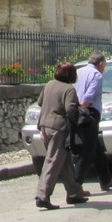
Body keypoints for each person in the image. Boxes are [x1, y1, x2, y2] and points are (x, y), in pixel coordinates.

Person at [34, 62, 90, 210]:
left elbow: (40, 102)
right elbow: (70, 108)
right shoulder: (69, 89)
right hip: (59, 128)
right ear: (71, 75)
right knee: (53, 161)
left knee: (64, 161)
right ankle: (42, 195)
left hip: (45, 126)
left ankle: (74, 193)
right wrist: (76, 119)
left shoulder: (49, 84)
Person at [73, 51, 112, 191]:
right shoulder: (96, 75)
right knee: (88, 150)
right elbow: (87, 97)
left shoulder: (78, 72)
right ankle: (76, 185)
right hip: (88, 113)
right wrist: (83, 108)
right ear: (100, 64)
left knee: (96, 146)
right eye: (104, 66)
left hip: (77, 111)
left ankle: (105, 179)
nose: (104, 69)